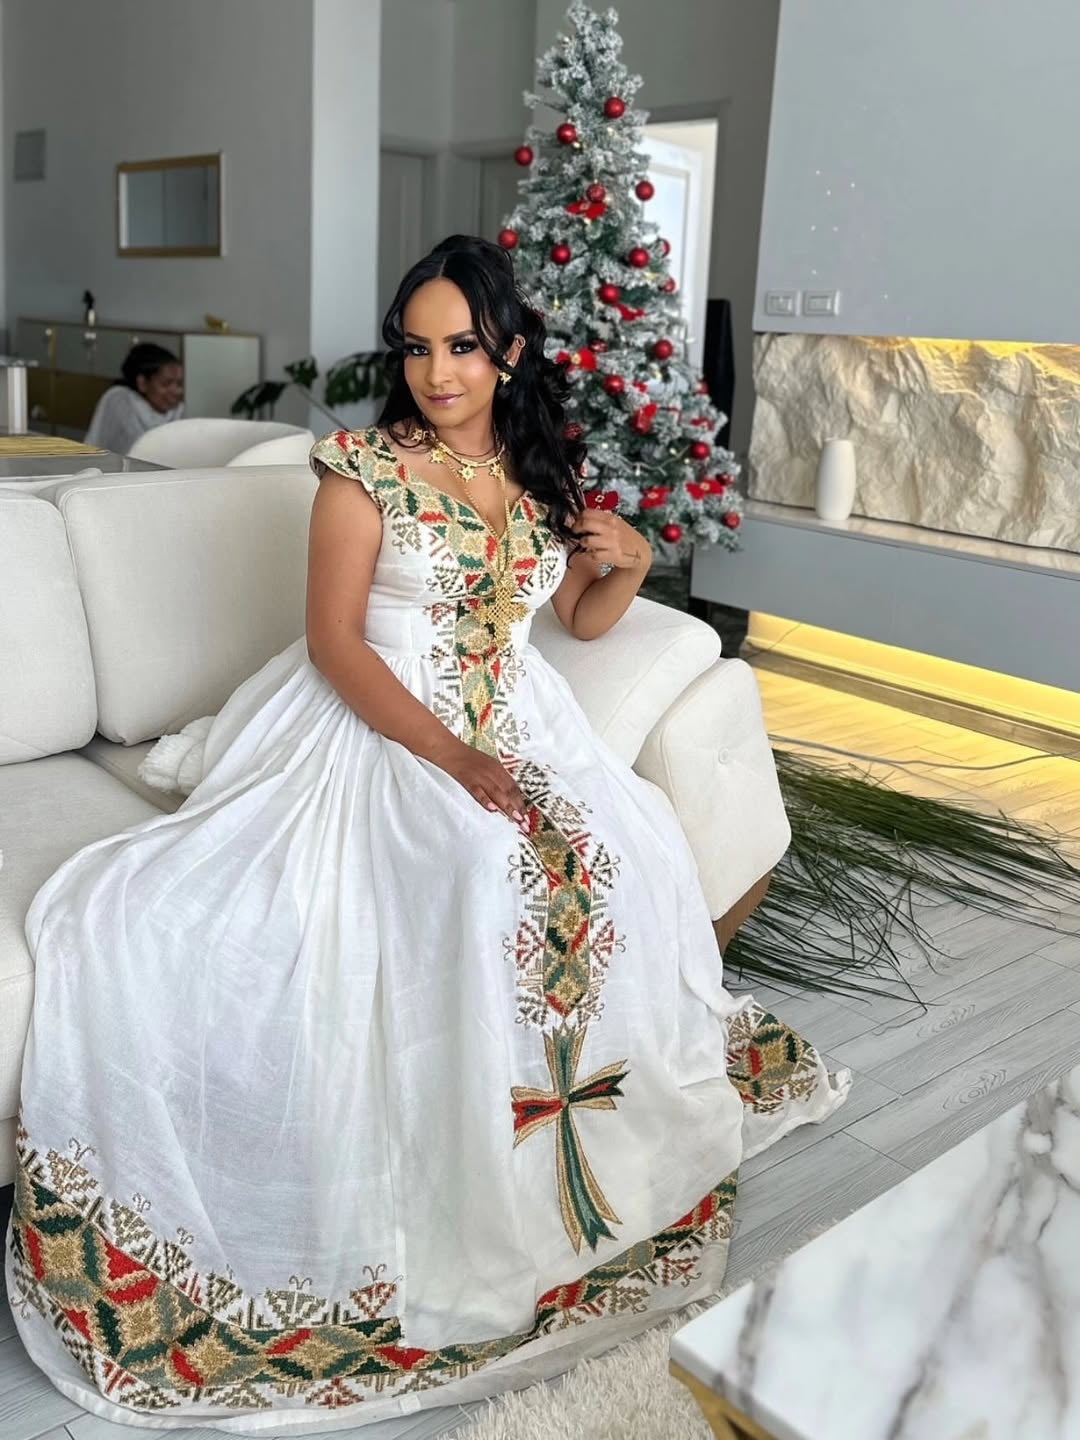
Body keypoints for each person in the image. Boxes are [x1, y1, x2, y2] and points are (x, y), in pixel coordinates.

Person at [6, 236, 848, 1430]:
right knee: (473, 864)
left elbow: (579, 618)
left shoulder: (536, 471)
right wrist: (452, 759)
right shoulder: (362, 473)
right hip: (381, 720)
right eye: (416, 347)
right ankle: (466, 1172)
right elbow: (336, 643)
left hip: (518, 716)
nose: (436, 372)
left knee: (629, 844)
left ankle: (568, 1151)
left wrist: (632, 562)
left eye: (461, 346)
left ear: (509, 351)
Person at [83, 341, 184, 453]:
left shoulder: (180, 409)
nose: (177, 391)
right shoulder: (120, 400)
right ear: (142, 383)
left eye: (180, 384)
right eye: (166, 384)